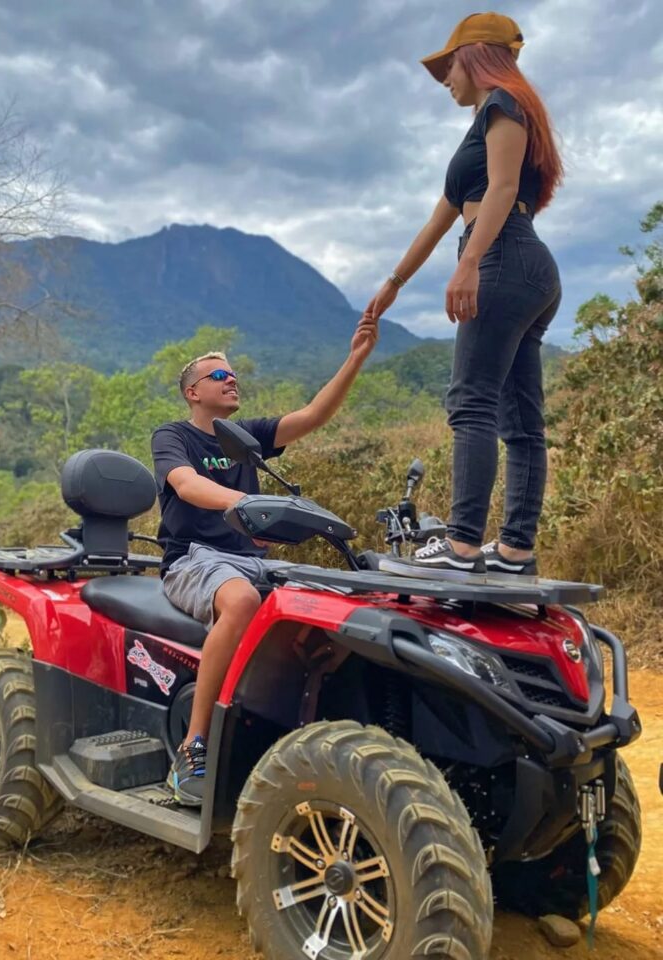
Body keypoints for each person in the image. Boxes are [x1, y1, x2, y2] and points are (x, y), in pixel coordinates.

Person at [366, 12, 563, 577]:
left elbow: (503, 188)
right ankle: (515, 551)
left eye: (449, 65)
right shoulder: (482, 127)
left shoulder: (504, 102)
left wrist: (470, 260)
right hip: (525, 267)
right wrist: (393, 284)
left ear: (475, 57)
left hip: (503, 256)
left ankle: (462, 545)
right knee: (521, 422)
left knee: (472, 402)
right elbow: (438, 221)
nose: (445, 79)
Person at [151, 318, 377, 805]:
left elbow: (313, 415)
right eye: (219, 375)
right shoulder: (173, 436)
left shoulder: (245, 437)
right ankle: (193, 747)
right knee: (241, 602)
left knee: (332, 608)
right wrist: (244, 502)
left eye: (233, 374)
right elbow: (186, 485)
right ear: (192, 392)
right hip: (195, 558)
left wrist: (356, 356)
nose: (231, 379)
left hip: (252, 559)